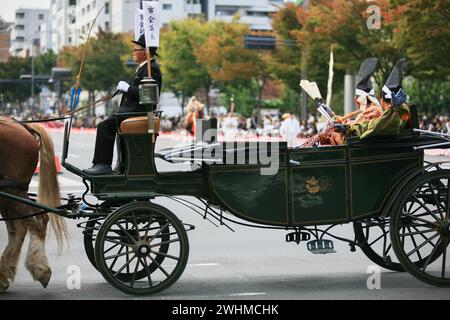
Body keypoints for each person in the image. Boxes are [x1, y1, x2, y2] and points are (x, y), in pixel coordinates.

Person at [83, 34, 162, 175]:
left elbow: (150, 96)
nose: (133, 52)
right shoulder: (142, 68)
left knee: (104, 126)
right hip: (129, 111)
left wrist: (128, 88)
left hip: (137, 112)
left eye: (136, 49)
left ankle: (103, 165)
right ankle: (114, 164)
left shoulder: (152, 68)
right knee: (105, 125)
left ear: (146, 52)